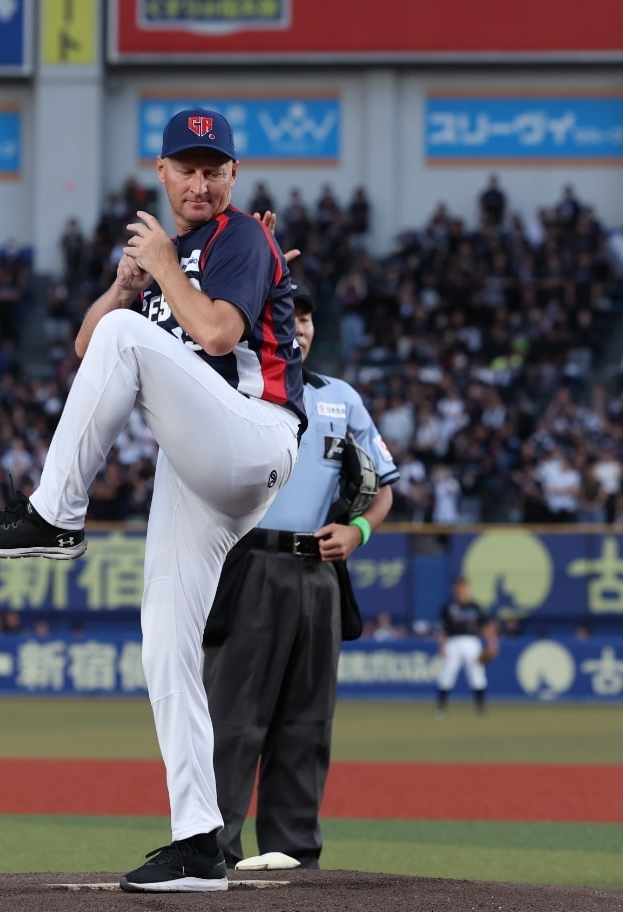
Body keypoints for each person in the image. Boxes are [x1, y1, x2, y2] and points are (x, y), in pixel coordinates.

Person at [0, 107, 303, 893]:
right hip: (199, 465)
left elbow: (217, 333)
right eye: (187, 166)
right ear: (161, 172)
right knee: (164, 637)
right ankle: (197, 842)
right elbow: (89, 351)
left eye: (214, 167)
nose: (201, 181)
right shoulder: (159, 264)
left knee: (128, 342)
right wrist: (122, 286)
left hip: (253, 432)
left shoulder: (240, 237)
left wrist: (164, 272)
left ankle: (54, 517)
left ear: (233, 177)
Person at [203, 280, 398, 873]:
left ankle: (293, 857)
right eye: (290, 315)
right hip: (249, 563)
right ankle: (211, 851)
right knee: (234, 721)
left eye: (308, 318)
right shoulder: (229, 387)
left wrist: (357, 532)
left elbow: (383, 490)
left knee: (307, 721)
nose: (301, 327)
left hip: (319, 570)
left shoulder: (341, 398)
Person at [435, 576, 497, 717]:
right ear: (454, 588)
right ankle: (441, 707)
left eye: (463, 586)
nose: (460, 588)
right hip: (453, 642)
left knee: (477, 675)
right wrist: (441, 647)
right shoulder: (448, 607)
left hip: (472, 642)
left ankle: (480, 708)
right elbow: (443, 630)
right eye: (458, 586)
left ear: (468, 587)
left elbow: (487, 627)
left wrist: (492, 644)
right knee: (447, 674)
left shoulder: (475, 607)